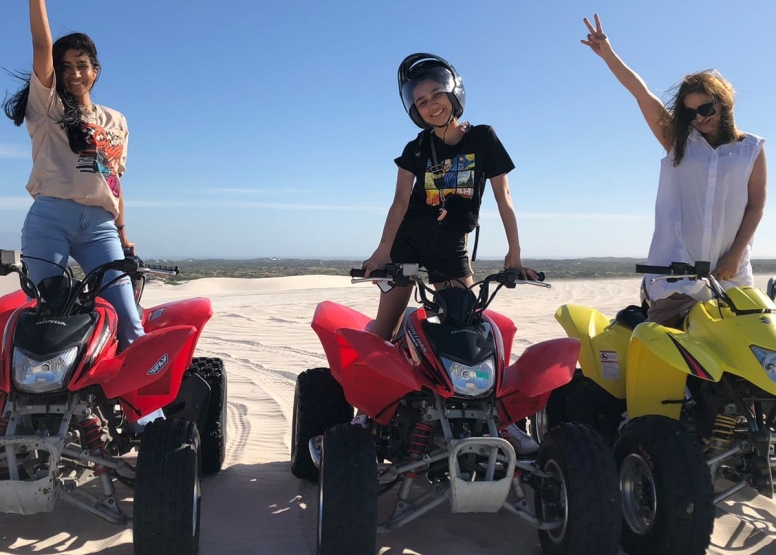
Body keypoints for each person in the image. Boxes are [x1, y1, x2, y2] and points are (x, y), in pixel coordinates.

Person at [361, 53, 538, 453]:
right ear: (414, 110)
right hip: (408, 241)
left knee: (471, 331)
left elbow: (503, 195)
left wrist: (515, 252)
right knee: (384, 331)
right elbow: (400, 202)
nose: (431, 104)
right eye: (421, 101)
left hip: (451, 244)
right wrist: (382, 250)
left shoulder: (483, 138)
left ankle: (500, 423)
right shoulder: (416, 148)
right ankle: (368, 412)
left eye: (435, 94)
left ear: (453, 92)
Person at [581, 14, 768, 328]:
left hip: (733, 278)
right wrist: (609, 54)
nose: (699, 118)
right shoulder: (680, 142)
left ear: (724, 103)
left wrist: (734, 256)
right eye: (690, 112)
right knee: (665, 357)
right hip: (677, 279)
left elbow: (756, 205)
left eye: (706, 108)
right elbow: (642, 95)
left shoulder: (752, 148)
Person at [3, 0, 144, 349]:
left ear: (96, 70)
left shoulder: (116, 121)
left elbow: (114, 179)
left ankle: (141, 406)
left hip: (100, 227)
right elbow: (40, 45)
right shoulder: (47, 107)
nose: (74, 74)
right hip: (50, 219)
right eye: (65, 67)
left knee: (128, 319)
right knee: (51, 313)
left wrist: (123, 234)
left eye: (82, 66)